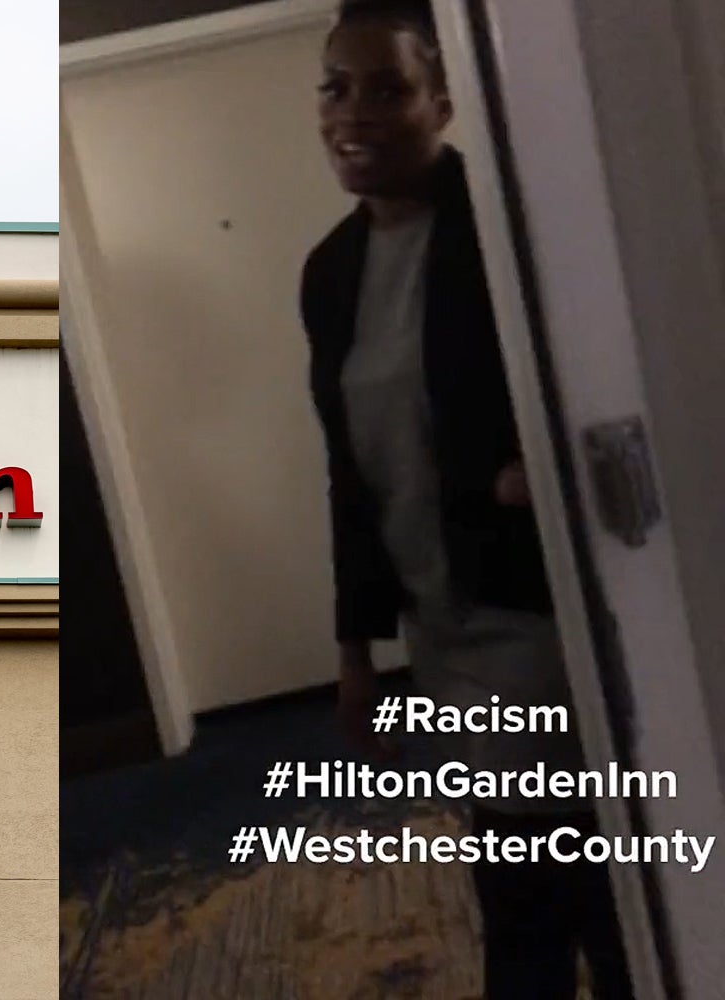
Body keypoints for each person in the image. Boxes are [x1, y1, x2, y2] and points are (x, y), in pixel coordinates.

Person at [302, 3, 633, 996]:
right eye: (334, 88)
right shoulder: (330, 271)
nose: (352, 113)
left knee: (564, 877)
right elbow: (348, 464)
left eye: (388, 88)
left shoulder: (506, 225)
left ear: (441, 103)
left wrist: (544, 463)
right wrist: (355, 651)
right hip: (435, 620)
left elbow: (603, 384)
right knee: (527, 863)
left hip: (531, 605)